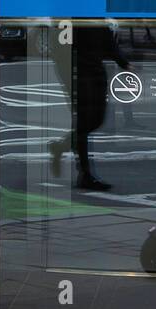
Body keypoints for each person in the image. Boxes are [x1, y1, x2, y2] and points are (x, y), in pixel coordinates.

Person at [50, 24, 133, 191]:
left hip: (95, 69)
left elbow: (108, 40)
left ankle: (61, 146)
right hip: (77, 71)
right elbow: (60, 44)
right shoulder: (71, 16)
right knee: (84, 119)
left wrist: (124, 63)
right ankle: (84, 173)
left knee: (96, 119)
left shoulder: (94, 13)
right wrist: (68, 73)